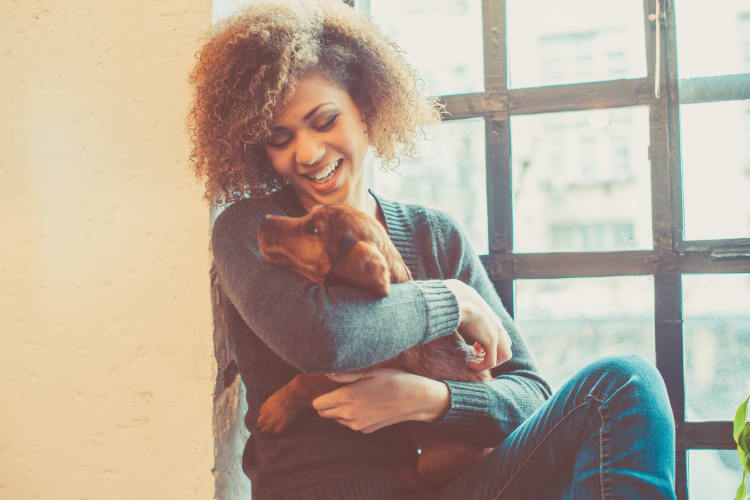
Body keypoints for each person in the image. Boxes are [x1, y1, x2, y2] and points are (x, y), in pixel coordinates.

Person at [187, 1, 677, 498]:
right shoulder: (255, 230)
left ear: (365, 108)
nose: (308, 152)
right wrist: (454, 300)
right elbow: (322, 339)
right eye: (281, 138)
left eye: (325, 120)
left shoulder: (435, 236)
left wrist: (431, 400)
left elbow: (529, 395)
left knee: (624, 385)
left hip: (460, 486)